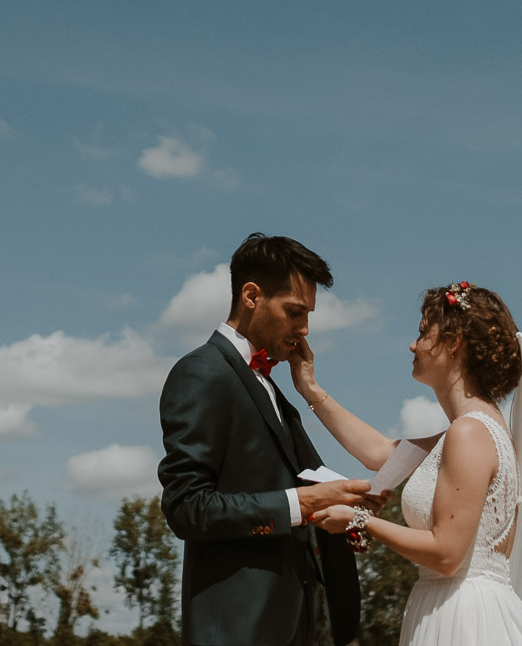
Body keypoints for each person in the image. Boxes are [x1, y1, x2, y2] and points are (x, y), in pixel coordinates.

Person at [293, 281, 522, 646]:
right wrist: (309, 388)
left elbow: (446, 555)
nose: (413, 345)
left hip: (464, 619)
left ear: (454, 341)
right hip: (457, 606)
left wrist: (359, 520)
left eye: (423, 332)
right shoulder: (472, 430)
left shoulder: (469, 433)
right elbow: (379, 452)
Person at [158, 234, 381, 646]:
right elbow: (186, 507)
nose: (305, 329)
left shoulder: (276, 392)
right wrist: (305, 502)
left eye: (308, 315)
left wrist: (345, 505)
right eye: (295, 312)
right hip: (236, 631)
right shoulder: (202, 373)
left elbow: (307, 484)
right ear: (251, 295)